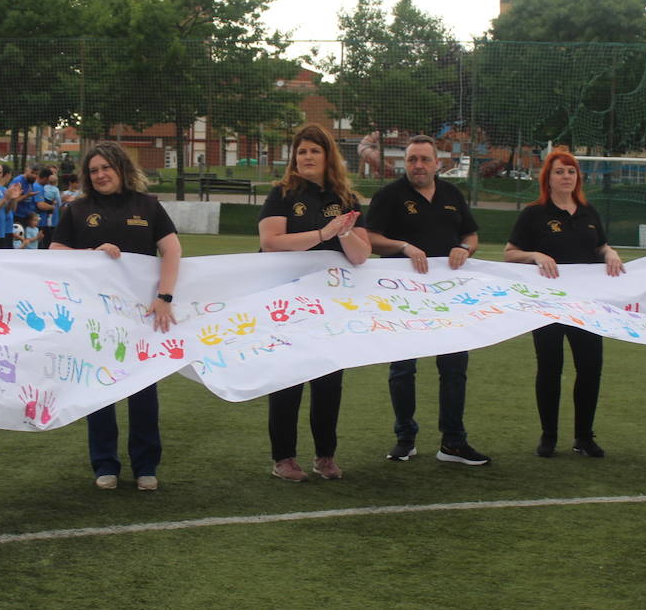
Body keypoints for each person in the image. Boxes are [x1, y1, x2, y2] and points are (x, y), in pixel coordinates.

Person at [51, 141, 181, 491]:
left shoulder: (148, 206)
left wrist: (164, 296)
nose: (100, 175)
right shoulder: (78, 210)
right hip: (94, 317)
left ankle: (145, 466)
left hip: (141, 316)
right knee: (100, 388)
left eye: (106, 167)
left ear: (121, 169)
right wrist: (90, 253)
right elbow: (55, 252)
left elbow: (171, 249)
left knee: (142, 389)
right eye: (93, 171)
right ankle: (104, 464)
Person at [364, 134, 489, 466]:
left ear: (437, 162)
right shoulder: (390, 195)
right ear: (405, 163)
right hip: (402, 296)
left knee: (454, 367)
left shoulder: (451, 194)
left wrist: (465, 249)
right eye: (412, 160)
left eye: (424, 159)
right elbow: (370, 238)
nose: (418, 165)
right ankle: (405, 437)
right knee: (403, 367)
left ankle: (453, 442)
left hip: (449, 296)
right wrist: (404, 246)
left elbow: (471, 235)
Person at [258, 123, 370, 481]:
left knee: (328, 380)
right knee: (287, 378)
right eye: (301, 151)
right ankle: (284, 458)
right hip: (286, 301)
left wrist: (346, 231)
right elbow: (271, 241)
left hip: (330, 304)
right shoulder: (283, 193)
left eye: (314, 151)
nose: (306, 157)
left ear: (328, 156)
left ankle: (326, 455)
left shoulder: (346, 198)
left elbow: (361, 255)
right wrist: (322, 234)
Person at [504, 151, 625, 458]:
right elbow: (510, 252)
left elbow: (600, 245)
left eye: (571, 172)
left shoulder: (588, 212)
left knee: (590, 369)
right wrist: (535, 255)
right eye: (560, 172)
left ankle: (584, 437)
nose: (566, 177)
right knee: (549, 369)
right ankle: (549, 437)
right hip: (548, 305)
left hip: (587, 306)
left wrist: (610, 253)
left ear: (577, 178)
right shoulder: (534, 214)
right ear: (549, 178)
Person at [0, 162, 22, 249]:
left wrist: (14, 198)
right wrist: (5, 198)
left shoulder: (4, 189)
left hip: (6, 230)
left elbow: (8, 210)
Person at [36, 167, 59, 249]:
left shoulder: (43, 187)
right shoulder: (38, 187)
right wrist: (52, 207)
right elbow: (40, 205)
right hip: (40, 223)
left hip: (45, 222)